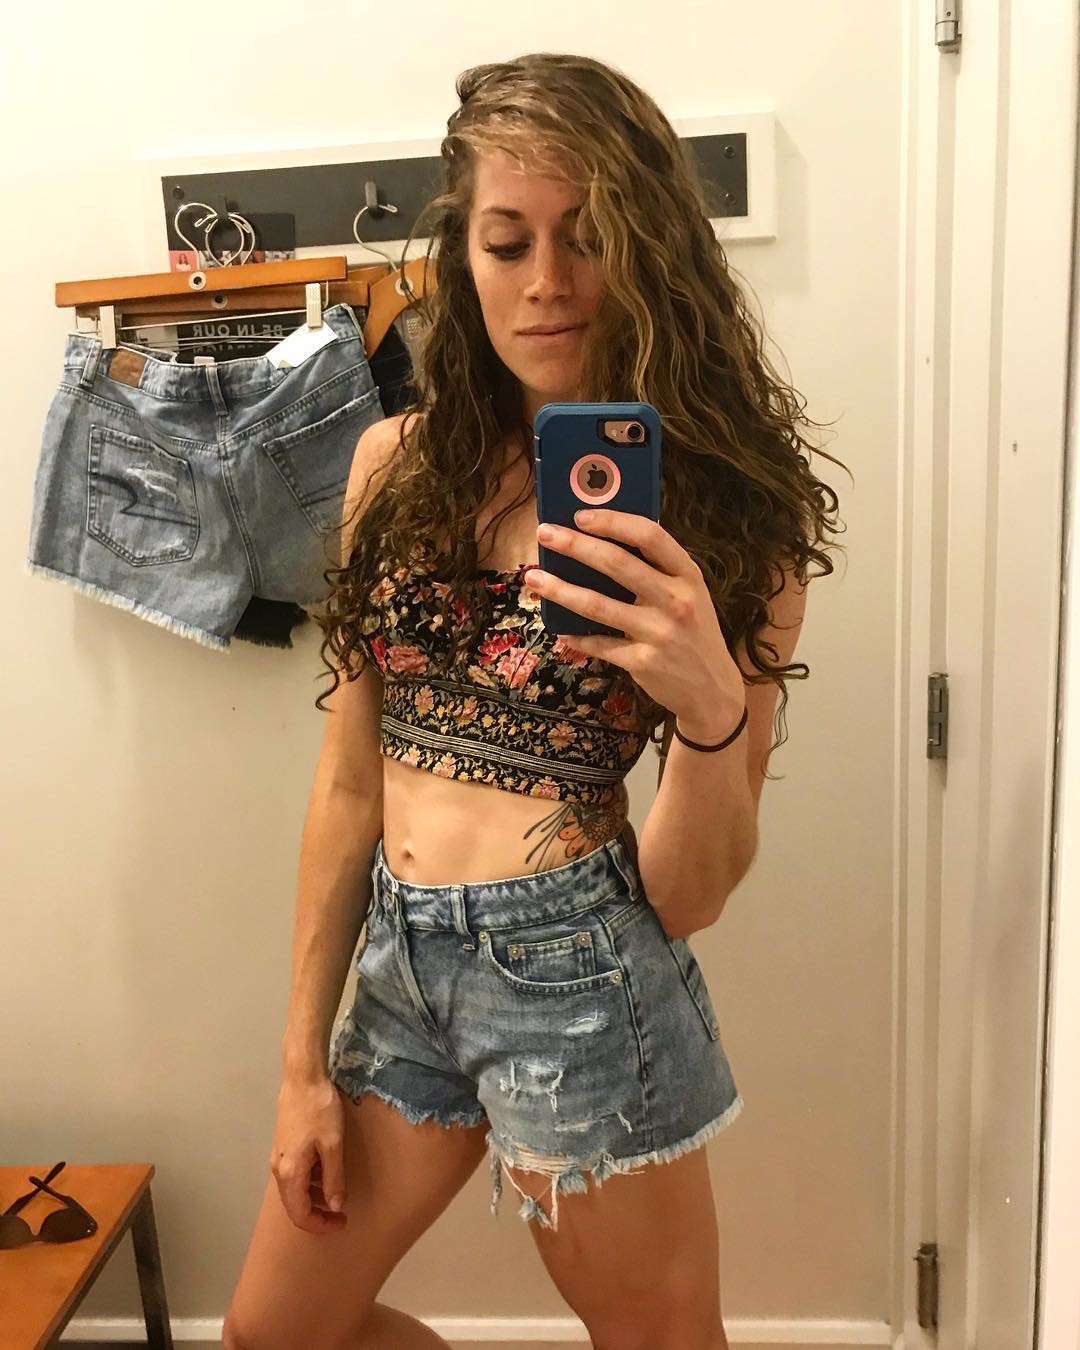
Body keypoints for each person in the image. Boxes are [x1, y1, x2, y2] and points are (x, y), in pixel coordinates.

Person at [223, 51, 844, 1350]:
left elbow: (688, 894)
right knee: (273, 1336)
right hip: (399, 965)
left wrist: (710, 708)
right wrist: (298, 1067)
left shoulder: (735, 517)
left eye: (588, 236)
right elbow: (348, 784)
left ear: (652, 251)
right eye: (508, 242)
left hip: (584, 974)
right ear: (466, 259)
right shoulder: (393, 466)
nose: (547, 280)